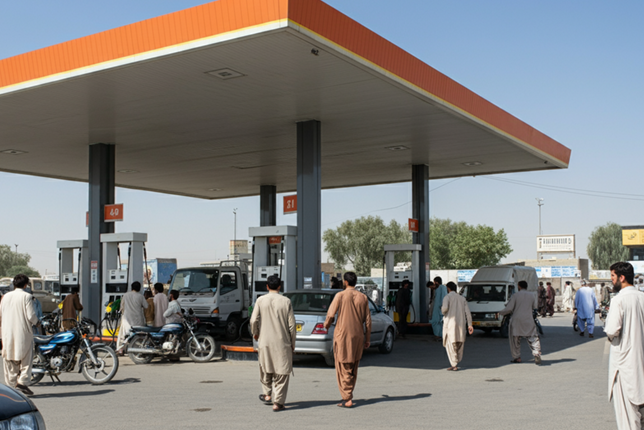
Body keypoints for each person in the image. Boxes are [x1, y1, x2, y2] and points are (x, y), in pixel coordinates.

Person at [605, 261, 644, 430]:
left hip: (624, 366)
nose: (612, 280)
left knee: (627, 419)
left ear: (621, 277)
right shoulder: (642, 297)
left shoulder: (619, 300)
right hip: (640, 362)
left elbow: (612, 329)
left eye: (613, 276)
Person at [324, 271, 371, 408]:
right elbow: (368, 321)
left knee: (342, 365)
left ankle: (347, 397)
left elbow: (331, 314)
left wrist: (326, 325)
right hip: (358, 336)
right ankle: (348, 394)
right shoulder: (363, 298)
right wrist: (367, 338)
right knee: (353, 366)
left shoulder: (340, 295)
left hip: (342, 335)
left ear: (345, 282)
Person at [250, 275, 296, 412]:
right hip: (282, 342)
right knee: (281, 372)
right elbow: (292, 326)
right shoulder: (286, 301)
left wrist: (256, 333)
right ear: (280, 286)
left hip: (264, 341)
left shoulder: (260, 300)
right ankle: (278, 402)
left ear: (267, 286)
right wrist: (293, 342)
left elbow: (253, 320)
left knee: (265, 367)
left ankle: (267, 394)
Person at [0, 274, 40, 395]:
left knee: (10, 359)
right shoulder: (27, 297)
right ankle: (22, 382)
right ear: (25, 285)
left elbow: (1, 315)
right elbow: (31, 316)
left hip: (7, 332)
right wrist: (38, 323)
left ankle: (11, 386)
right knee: (26, 360)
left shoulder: (5, 297)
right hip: (23, 333)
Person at [499, 280, 542, 365]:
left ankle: (517, 357)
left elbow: (509, 309)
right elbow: (535, 307)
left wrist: (500, 312)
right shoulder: (532, 295)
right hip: (528, 319)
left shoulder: (515, 296)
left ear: (519, 286)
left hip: (517, 320)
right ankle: (536, 352)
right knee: (533, 337)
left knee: (515, 340)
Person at [441, 281, 473, 371]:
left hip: (450, 324)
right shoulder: (462, 298)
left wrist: (442, 311)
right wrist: (470, 325)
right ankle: (456, 362)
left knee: (451, 344)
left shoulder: (447, 297)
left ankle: (454, 364)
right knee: (459, 343)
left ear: (448, 288)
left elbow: (444, 309)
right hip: (461, 325)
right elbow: (468, 312)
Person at [116, 281, 148, 354]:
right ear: (139, 288)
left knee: (123, 335)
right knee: (140, 334)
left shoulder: (125, 295)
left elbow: (122, 307)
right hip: (138, 319)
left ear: (131, 287)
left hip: (127, 319)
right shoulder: (140, 296)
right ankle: (139, 349)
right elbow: (146, 306)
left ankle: (120, 349)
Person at [429, 277, 448, 341]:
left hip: (439, 307)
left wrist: (442, 306)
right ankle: (439, 335)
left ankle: (439, 335)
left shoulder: (442, 288)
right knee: (436, 322)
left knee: (437, 322)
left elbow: (443, 297)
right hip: (436, 307)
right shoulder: (437, 289)